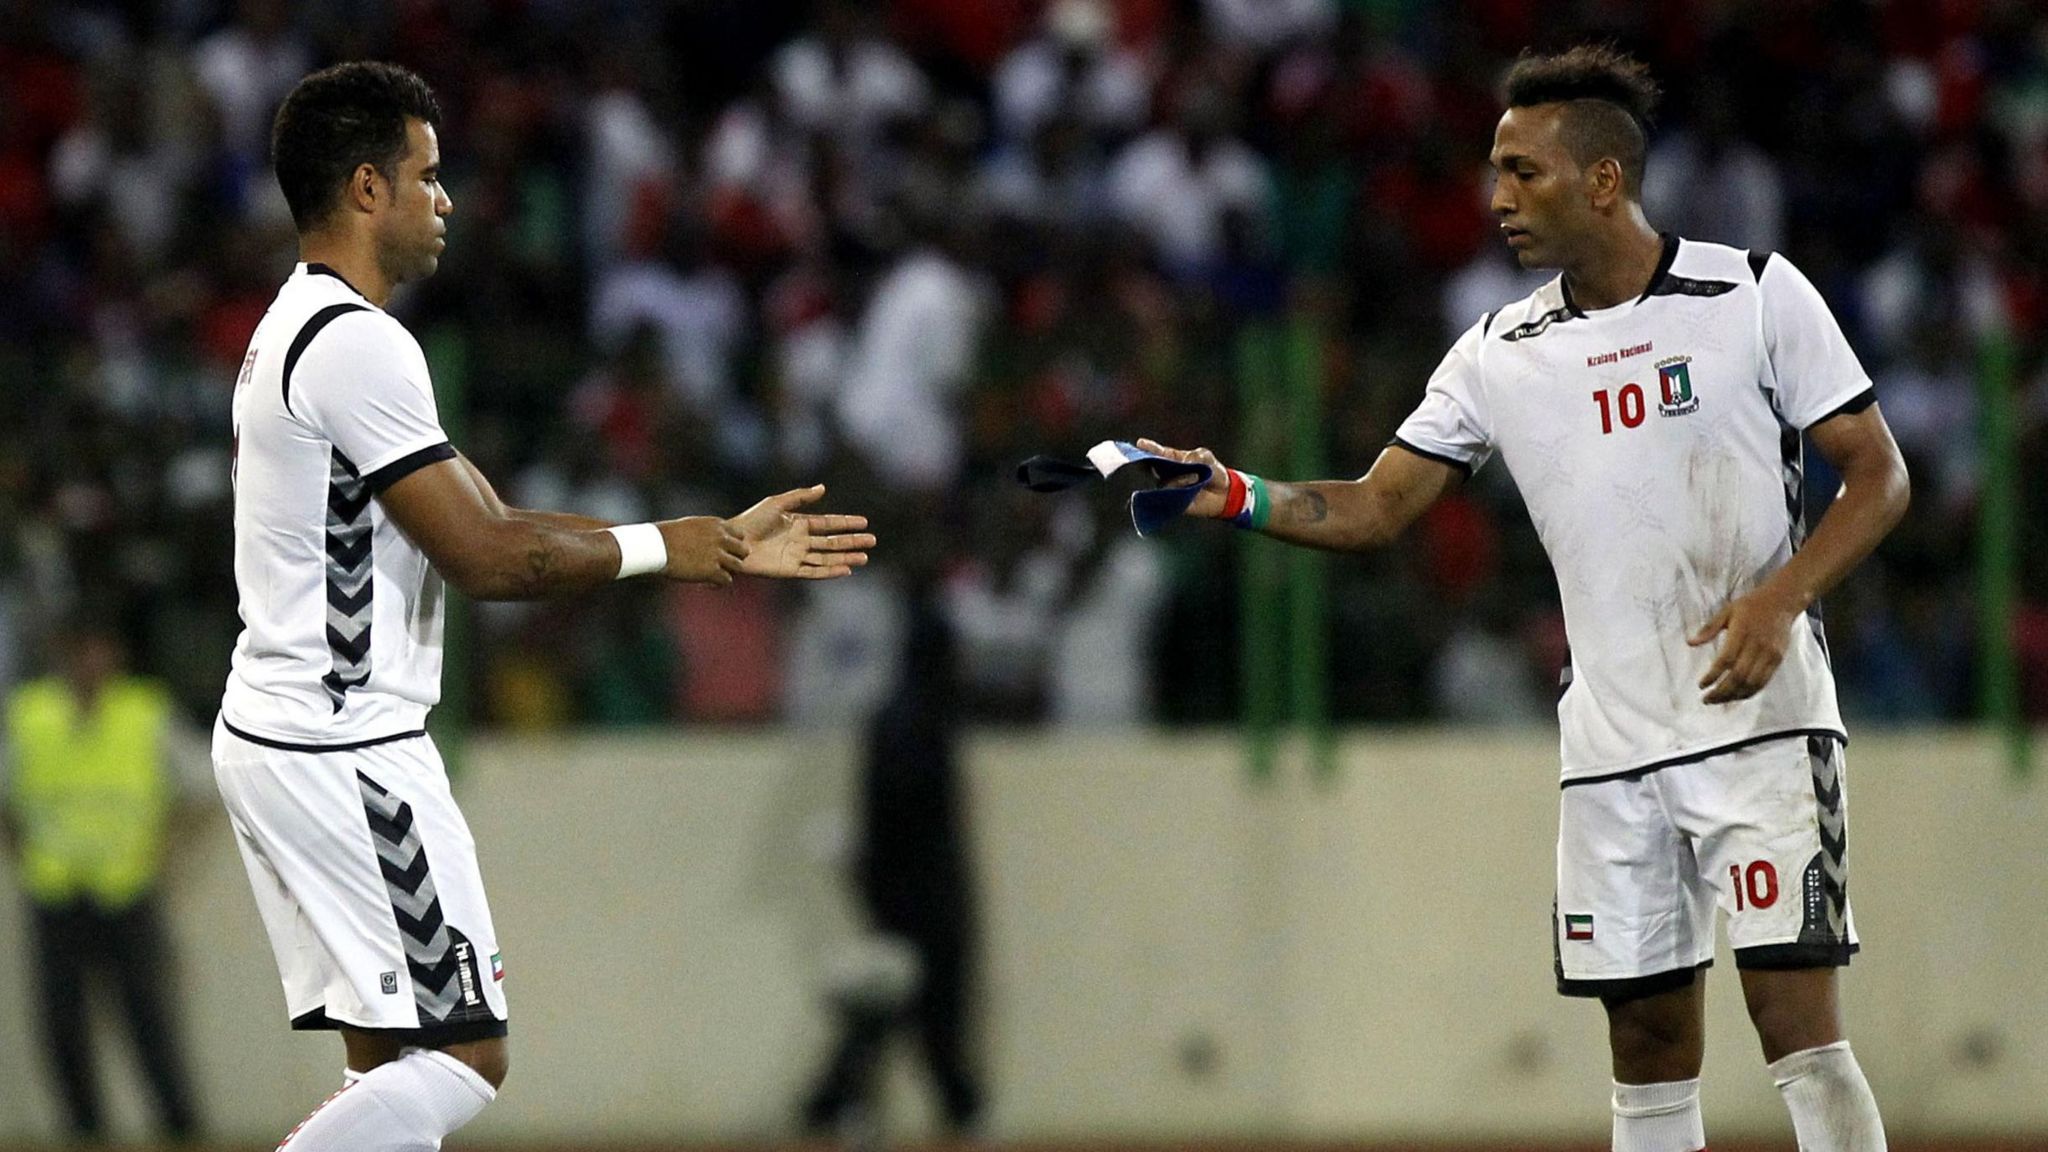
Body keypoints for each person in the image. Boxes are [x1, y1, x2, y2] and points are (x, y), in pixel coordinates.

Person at [1139, 46, 1906, 1152]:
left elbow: (1877, 475)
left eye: (1522, 172)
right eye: (1493, 171)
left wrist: (1777, 600)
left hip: (1759, 726)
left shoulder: (1751, 293)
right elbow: (1372, 507)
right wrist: (1230, 493)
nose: (1495, 199)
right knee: (1644, 1044)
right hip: (1609, 744)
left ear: (1603, 180)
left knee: (1792, 1024)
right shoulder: (1499, 351)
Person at [215, 61, 873, 1149]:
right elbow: (485, 558)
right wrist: (673, 544)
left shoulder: (302, 327)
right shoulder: (359, 343)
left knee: (389, 1067)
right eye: (427, 176)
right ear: (367, 189)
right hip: (345, 749)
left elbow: (486, 512)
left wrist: (691, 543)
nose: (447, 201)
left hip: (290, 736)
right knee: (463, 1056)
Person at [3, 615, 207, 1141]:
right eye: (79, 650)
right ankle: (83, 1130)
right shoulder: (31, 715)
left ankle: (179, 1128)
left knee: (149, 1020)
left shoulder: (145, 712)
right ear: (62, 655)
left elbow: (201, 787)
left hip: (127, 891)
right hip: (54, 893)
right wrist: (21, 852)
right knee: (61, 1025)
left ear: (114, 654)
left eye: (98, 649)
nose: (89, 662)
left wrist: (166, 853)